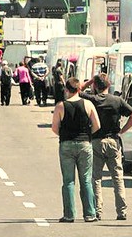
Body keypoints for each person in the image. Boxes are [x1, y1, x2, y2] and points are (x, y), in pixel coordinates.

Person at [79, 73, 132, 221]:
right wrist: (122, 130)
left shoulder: (92, 100)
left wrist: (90, 81)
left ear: (95, 86)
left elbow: (76, 90)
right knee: (117, 178)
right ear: (109, 85)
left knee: (96, 178)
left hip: (96, 142)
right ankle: (122, 211)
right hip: (113, 141)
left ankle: (97, 210)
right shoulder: (117, 100)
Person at [51, 77, 101, 223]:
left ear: (66, 90)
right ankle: (90, 213)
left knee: (68, 181)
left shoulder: (61, 106)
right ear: (79, 89)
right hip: (85, 144)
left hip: (66, 145)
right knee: (86, 180)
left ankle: (69, 214)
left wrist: (65, 135)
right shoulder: (88, 104)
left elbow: (54, 128)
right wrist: (86, 134)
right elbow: (97, 125)